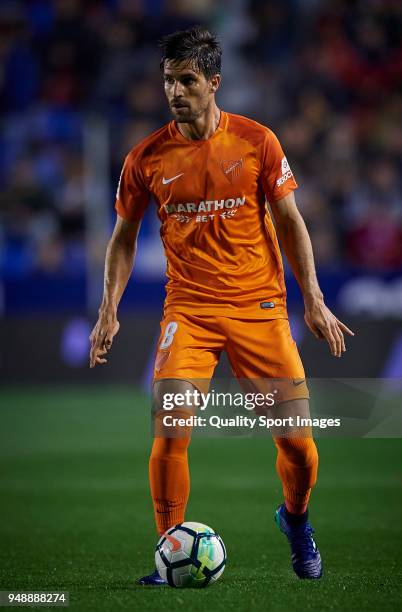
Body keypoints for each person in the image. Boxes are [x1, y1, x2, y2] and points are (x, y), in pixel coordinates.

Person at [89, 25, 354, 584]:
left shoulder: (258, 141)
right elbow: (122, 238)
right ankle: (167, 553)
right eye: (168, 80)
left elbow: (289, 221)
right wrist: (107, 309)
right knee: (169, 432)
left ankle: (297, 521)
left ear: (214, 83)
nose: (174, 92)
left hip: (259, 306)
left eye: (186, 80)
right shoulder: (146, 158)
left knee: (300, 451)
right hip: (188, 312)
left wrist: (314, 300)